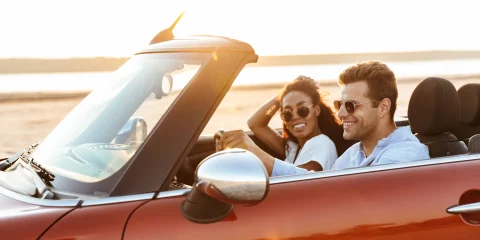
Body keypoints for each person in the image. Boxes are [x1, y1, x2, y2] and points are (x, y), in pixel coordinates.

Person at [268, 61, 430, 176]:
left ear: (383, 107)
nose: (341, 114)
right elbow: (319, 183)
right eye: (340, 104)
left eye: (351, 106)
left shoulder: (405, 155)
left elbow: (359, 192)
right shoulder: (353, 154)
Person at [219, 76, 353, 176]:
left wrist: (254, 151)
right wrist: (283, 95)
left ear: (316, 110)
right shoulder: (294, 148)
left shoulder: (322, 143)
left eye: (302, 110)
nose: (295, 116)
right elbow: (255, 124)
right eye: (287, 113)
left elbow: (299, 180)